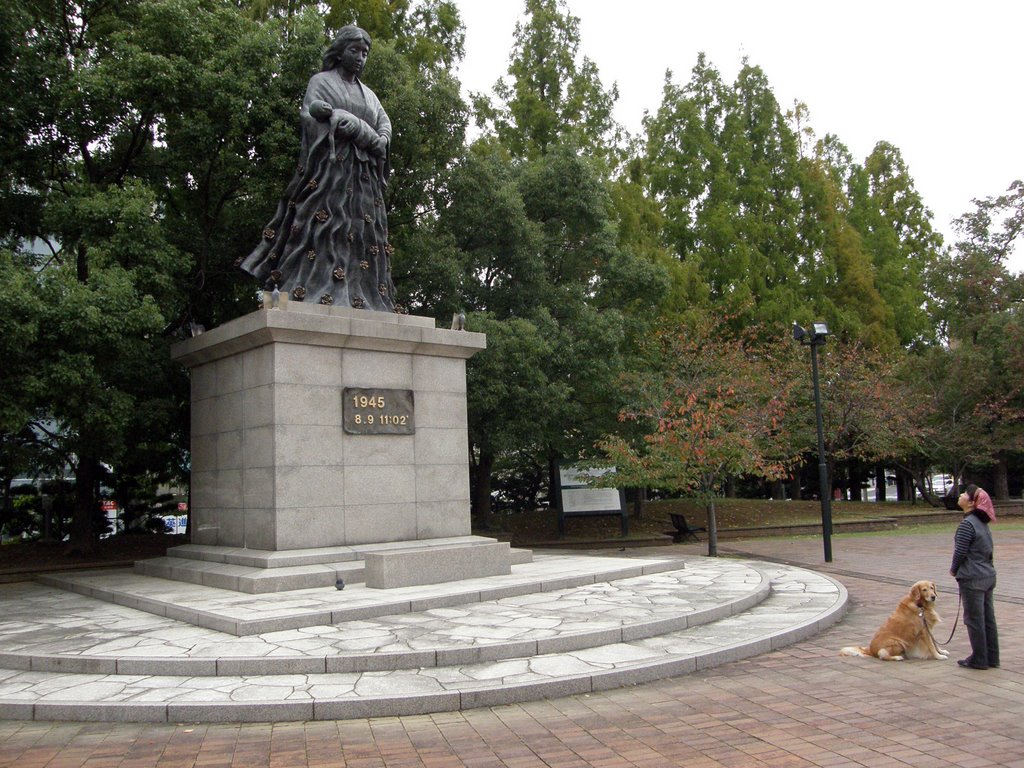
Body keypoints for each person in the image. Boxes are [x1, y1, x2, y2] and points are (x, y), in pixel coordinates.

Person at [240, 25, 398, 312]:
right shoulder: (321, 81)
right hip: (329, 175)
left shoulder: (370, 96)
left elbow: (384, 124)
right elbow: (309, 114)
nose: (360, 58)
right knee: (321, 229)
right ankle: (306, 289)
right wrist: (336, 120)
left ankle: (362, 294)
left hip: (363, 181)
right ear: (340, 52)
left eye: (365, 53)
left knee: (364, 236)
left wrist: (377, 137)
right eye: (354, 51)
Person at [949, 483, 999, 669]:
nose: (960, 495)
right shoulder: (982, 524)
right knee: (988, 618)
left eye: (964, 494)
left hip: (972, 577)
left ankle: (979, 659)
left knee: (974, 619)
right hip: (987, 575)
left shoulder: (967, 524)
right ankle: (992, 658)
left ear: (971, 503)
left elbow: (960, 552)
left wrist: (954, 569)